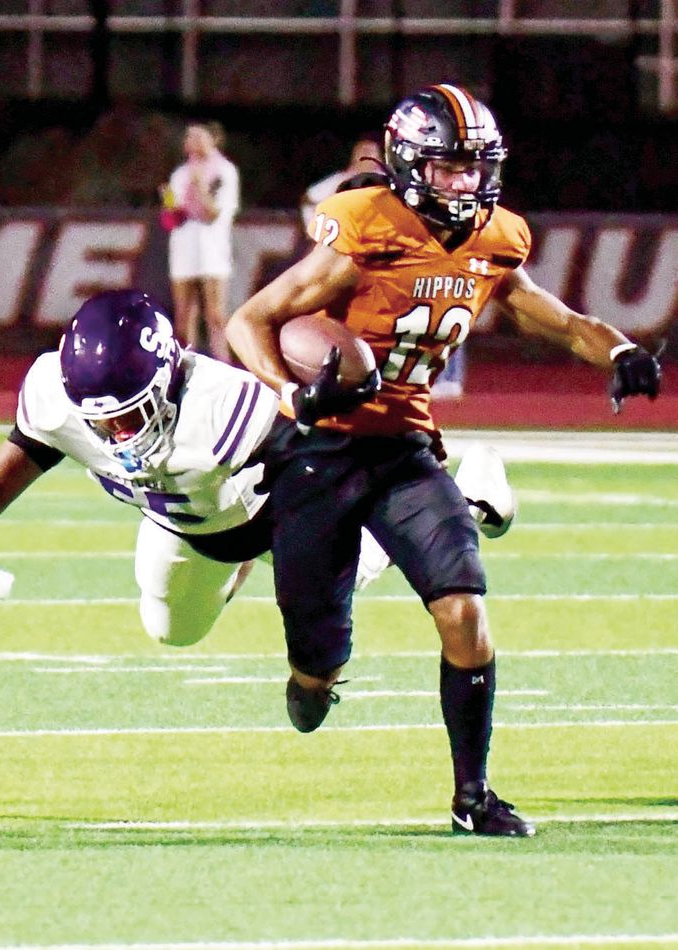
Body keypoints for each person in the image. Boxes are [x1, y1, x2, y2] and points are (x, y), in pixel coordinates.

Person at [226, 83, 662, 837]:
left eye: (473, 167)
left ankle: (473, 795)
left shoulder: (497, 239)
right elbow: (249, 320)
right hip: (322, 454)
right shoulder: (365, 229)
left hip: (404, 450)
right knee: (315, 665)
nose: (464, 183)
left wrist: (616, 350)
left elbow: (555, 319)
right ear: (406, 164)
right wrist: (289, 398)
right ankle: (313, 675)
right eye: (448, 167)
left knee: (464, 611)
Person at [0, 289, 513, 651]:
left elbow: (342, 468)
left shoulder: (230, 405)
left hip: (270, 508)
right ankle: (235, 569)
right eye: (101, 423)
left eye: (130, 415)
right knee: (170, 631)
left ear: (168, 378)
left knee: (343, 569)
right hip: (180, 520)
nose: (118, 435)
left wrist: (411, 465)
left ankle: (469, 494)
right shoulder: (54, 392)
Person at [159, 122, 240, 364]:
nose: (192, 142)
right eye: (189, 136)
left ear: (212, 139)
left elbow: (213, 213)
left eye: (198, 136)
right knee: (184, 315)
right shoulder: (180, 174)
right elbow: (171, 218)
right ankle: (185, 364)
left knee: (215, 314)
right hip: (184, 251)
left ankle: (223, 364)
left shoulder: (224, 171)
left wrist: (200, 186)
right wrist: (170, 203)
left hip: (212, 250)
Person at [298, 132, 382, 229]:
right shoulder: (339, 180)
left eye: (370, 151)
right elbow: (309, 199)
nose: (365, 155)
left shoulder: (388, 180)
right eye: (362, 150)